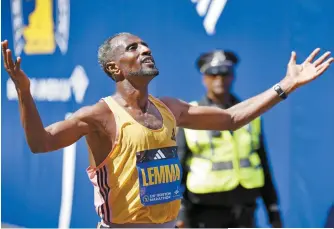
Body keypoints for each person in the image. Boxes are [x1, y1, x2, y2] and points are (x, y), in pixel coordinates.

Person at [1, 33, 332, 228]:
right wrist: (25, 92)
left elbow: (231, 118)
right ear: (114, 68)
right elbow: (40, 143)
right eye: (133, 48)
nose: (145, 50)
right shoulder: (100, 116)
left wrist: (286, 86)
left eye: (145, 45)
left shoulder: (170, 108)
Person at [176, 50, 282, 228]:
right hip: (204, 210)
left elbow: (263, 163)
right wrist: (180, 213)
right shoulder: (191, 114)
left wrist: (273, 210)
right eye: (213, 74)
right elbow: (178, 168)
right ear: (204, 78)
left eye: (225, 73)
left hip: (244, 209)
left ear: (233, 76)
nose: (219, 79)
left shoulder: (250, 113)